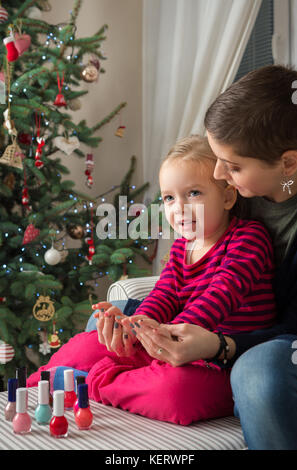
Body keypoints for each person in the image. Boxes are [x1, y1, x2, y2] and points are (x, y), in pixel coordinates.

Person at [27, 136, 277, 426]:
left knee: (177, 392)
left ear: (227, 197)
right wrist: (135, 326)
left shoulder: (248, 238)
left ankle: (95, 382)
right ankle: (36, 386)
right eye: (169, 198)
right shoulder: (183, 248)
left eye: (193, 193)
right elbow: (164, 294)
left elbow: (218, 298)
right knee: (85, 345)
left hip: (220, 360)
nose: (179, 207)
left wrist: (159, 338)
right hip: (169, 344)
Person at [128, 65, 297, 449]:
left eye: (233, 166)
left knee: (259, 370)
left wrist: (219, 345)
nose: (220, 174)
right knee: (114, 316)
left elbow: (290, 327)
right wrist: (141, 323)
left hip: (276, 340)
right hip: (219, 323)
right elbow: (182, 281)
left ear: (288, 164)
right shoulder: (241, 193)